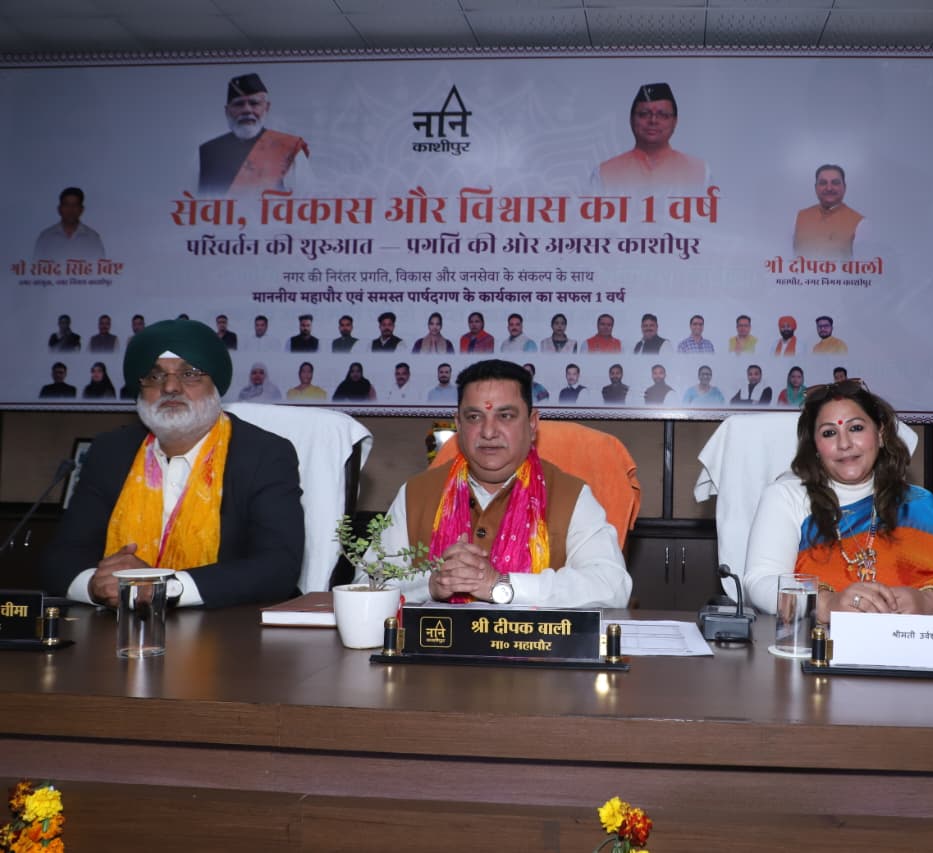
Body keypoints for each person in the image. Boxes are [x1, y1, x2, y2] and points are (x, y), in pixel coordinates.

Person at [38, 319, 304, 609]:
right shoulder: (111, 452)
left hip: (227, 625)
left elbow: (278, 567)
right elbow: (61, 558)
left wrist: (164, 588)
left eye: (189, 374)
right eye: (154, 376)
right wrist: (95, 586)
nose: (170, 387)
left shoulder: (264, 454)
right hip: (117, 625)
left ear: (215, 385)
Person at [359, 359, 630, 607]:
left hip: (536, 645)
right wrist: (431, 584)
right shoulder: (416, 494)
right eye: (474, 417)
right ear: (458, 424)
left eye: (505, 416)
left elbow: (611, 586)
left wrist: (500, 585)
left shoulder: (570, 496)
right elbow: (364, 586)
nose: (488, 432)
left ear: (532, 423)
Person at [743, 382, 933, 620]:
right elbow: (760, 582)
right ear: (815, 446)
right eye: (829, 433)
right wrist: (826, 603)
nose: (844, 444)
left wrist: (928, 602)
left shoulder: (918, 504)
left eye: (856, 428)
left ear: (880, 434)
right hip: (818, 639)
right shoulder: (787, 497)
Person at [198, 73, 310, 196]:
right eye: (239, 104)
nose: (247, 110)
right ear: (227, 111)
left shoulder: (289, 148)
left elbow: (306, 199)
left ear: (266, 108)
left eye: (254, 103)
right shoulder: (205, 153)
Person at [595, 82, 709, 194]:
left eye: (663, 115)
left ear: (675, 121)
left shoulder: (699, 172)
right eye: (644, 114)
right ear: (631, 119)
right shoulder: (604, 173)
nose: (653, 121)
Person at [792, 165, 863, 260]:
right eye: (823, 183)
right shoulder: (800, 217)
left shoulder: (860, 223)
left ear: (844, 187)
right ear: (816, 188)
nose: (829, 188)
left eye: (835, 183)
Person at [33, 186, 106, 262]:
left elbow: (100, 266)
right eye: (66, 205)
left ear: (81, 209)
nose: (70, 210)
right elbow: (34, 265)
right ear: (59, 209)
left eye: (75, 205)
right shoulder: (46, 237)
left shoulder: (93, 238)